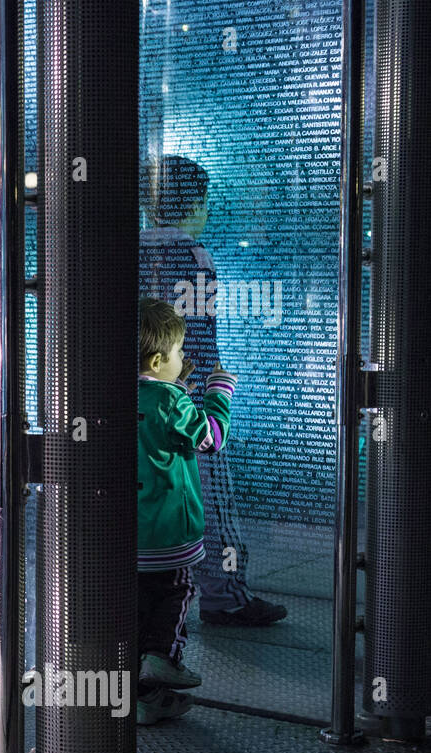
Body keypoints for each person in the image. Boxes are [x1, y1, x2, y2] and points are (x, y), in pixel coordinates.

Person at [139, 155, 287, 626]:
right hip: (186, 399)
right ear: (196, 204)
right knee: (212, 498)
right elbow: (198, 334)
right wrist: (213, 386)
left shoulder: (128, 249)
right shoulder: (194, 255)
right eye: (206, 202)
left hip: (140, 398)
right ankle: (225, 596)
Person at [136, 298, 239, 724]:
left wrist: (179, 390)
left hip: (131, 538)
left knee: (139, 607)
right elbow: (211, 438)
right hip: (169, 537)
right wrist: (218, 394)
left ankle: (142, 697)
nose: (184, 359)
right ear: (160, 360)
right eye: (179, 354)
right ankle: (165, 658)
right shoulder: (171, 402)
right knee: (176, 594)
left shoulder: (134, 394)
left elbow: (159, 420)